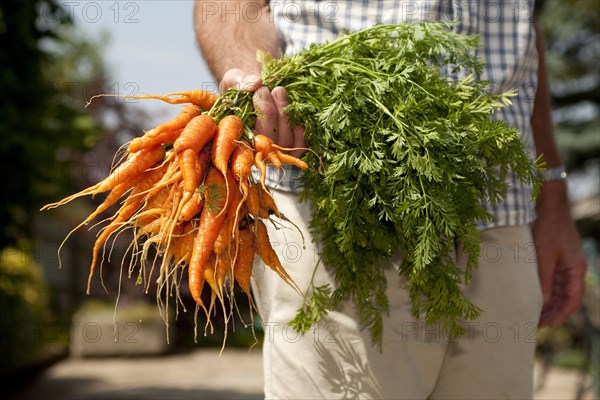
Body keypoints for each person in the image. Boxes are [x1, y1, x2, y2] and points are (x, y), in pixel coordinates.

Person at [194, 1, 587, 398]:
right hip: (335, 208)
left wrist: (553, 198)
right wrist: (250, 79)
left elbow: (525, 33)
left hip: (500, 213)